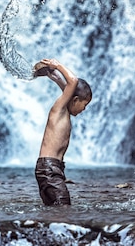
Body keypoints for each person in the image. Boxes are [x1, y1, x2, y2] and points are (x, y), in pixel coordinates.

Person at [32, 58, 92, 206]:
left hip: (52, 169)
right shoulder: (59, 109)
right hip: (49, 169)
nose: (84, 110)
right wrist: (57, 65)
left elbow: (68, 88)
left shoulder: (64, 107)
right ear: (76, 99)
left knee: (54, 209)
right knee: (63, 209)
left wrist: (54, 77)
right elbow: (73, 81)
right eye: (84, 105)